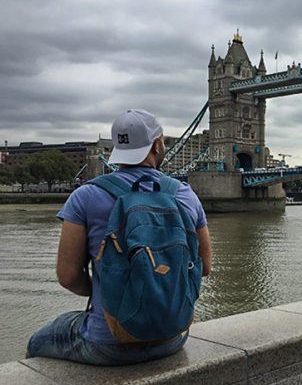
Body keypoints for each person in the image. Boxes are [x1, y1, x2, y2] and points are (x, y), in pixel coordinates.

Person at [27, 109, 211, 365]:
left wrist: (116, 290)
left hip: (107, 343)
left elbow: (68, 277)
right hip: (172, 337)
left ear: (117, 148)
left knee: (37, 341)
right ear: (157, 145)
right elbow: (204, 268)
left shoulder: (85, 196)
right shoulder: (186, 195)